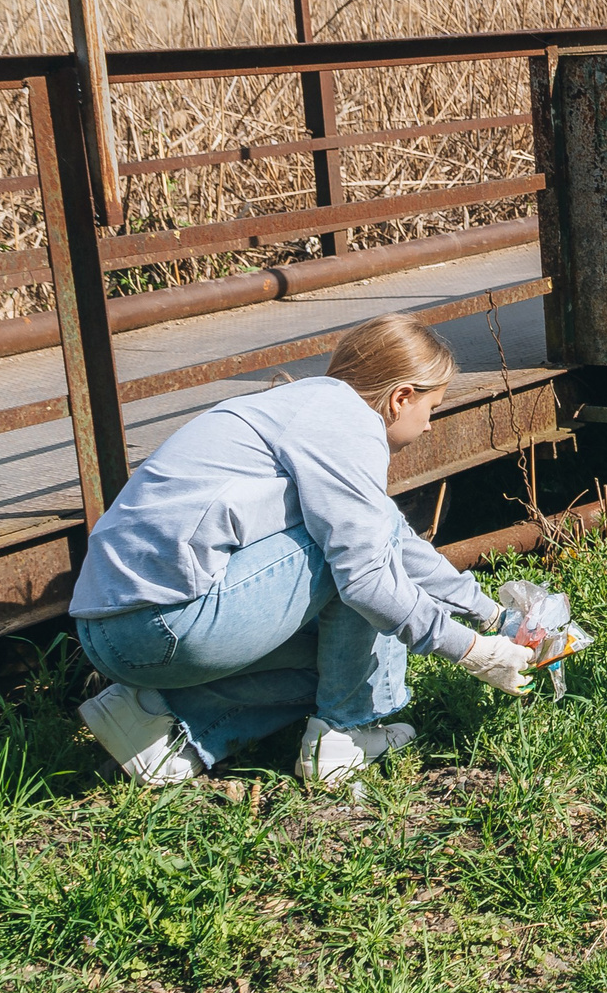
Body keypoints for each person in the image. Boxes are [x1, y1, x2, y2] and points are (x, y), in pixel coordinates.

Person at [67, 313, 549, 786]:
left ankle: (162, 723)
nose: (428, 426)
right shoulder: (348, 425)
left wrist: (491, 616)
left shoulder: (310, 411)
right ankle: (342, 735)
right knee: (358, 567)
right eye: (432, 408)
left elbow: (394, 536)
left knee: (342, 650)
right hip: (161, 622)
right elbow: (366, 575)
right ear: (401, 397)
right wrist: (472, 651)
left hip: (113, 627)